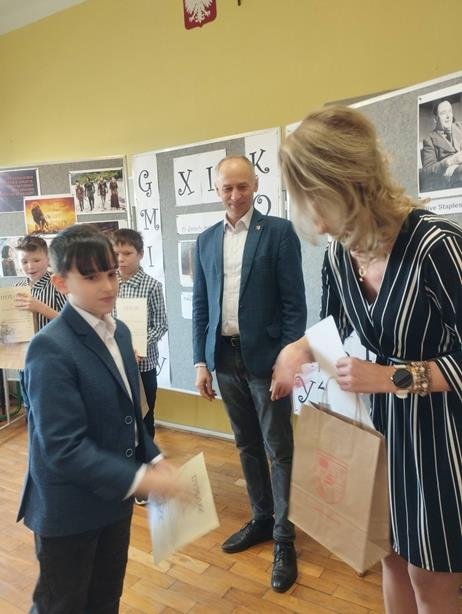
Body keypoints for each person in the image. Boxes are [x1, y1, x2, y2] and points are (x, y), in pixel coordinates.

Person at [274, 106, 462, 613]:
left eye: (320, 200)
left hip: (439, 439)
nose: (316, 221)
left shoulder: (436, 247)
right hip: (377, 433)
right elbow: (335, 326)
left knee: (430, 576)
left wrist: (393, 377)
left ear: (353, 184)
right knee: (389, 557)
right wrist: (297, 349)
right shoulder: (340, 254)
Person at [17, 224, 180, 613]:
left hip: (113, 502)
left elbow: (129, 415)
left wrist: (154, 456)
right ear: (61, 283)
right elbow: (63, 448)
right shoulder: (49, 348)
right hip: (68, 509)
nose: (107, 286)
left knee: (106, 599)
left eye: (111, 273)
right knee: (62, 605)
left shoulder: (120, 333)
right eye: (91, 277)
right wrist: (141, 479)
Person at [192, 155, 306, 592]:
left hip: (267, 360)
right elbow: (201, 307)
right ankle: (261, 517)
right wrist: (200, 362)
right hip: (224, 359)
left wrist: (288, 359)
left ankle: (284, 537)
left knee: (279, 448)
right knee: (246, 444)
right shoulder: (205, 241)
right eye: (227, 188)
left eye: (243, 186)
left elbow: (294, 304)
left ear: (256, 185)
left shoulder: (278, 232)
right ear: (217, 190)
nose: (235, 195)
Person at [113, 229, 167, 446]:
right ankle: (126, 454)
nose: (121, 259)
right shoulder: (108, 284)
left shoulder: (152, 286)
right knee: (119, 412)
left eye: (127, 253)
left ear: (141, 254)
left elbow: (161, 325)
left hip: (143, 364)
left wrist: (139, 346)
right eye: (116, 253)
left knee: (145, 413)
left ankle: (147, 455)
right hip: (115, 361)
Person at [15, 235, 66, 331]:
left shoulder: (58, 284)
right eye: (24, 262)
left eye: (36, 260)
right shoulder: (18, 287)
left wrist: (39, 307)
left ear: (48, 259)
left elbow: (70, 322)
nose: (30, 266)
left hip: (52, 339)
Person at [420, 98, 462, 191]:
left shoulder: (460, 127)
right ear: (435, 119)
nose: (448, 116)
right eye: (443, 113)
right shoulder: (429, 139)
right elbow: (427, 172)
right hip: (450, 178)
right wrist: (450, 161)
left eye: (450, 111)